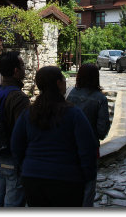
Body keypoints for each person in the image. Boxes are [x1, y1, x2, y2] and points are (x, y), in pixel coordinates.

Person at [11, 66, 97, 207]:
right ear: (58, 83)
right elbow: (87, 148)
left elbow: (16, 145)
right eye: (63, 80)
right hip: (66, 178)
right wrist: (87, 176)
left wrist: (27, 166)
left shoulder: (28, 113)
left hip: (33, 178)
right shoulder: (73, 114)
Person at [0, 51, 30, 207]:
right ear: (16, 71)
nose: (24, 68)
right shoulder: (18, 98)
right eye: (22, 65)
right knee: (13, 203)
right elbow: (23, 132)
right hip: (13, 158)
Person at [66, 63, 110, 207]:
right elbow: (102, 130)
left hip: (70, 147)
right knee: (88, 186)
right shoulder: (100, 99)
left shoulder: (71, 94)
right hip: (90, 147)